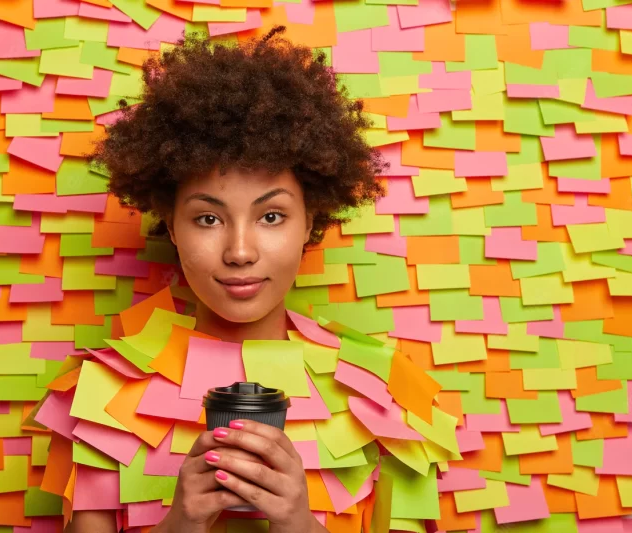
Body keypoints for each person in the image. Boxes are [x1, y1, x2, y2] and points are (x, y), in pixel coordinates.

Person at [44, 24, 430, 533]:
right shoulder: (102, 390)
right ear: (172, 224)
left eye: (271, 217)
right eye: (208, 218)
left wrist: (298, 523)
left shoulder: (382, 389)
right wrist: (180, 523)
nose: (241, 252)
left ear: (310, 220)